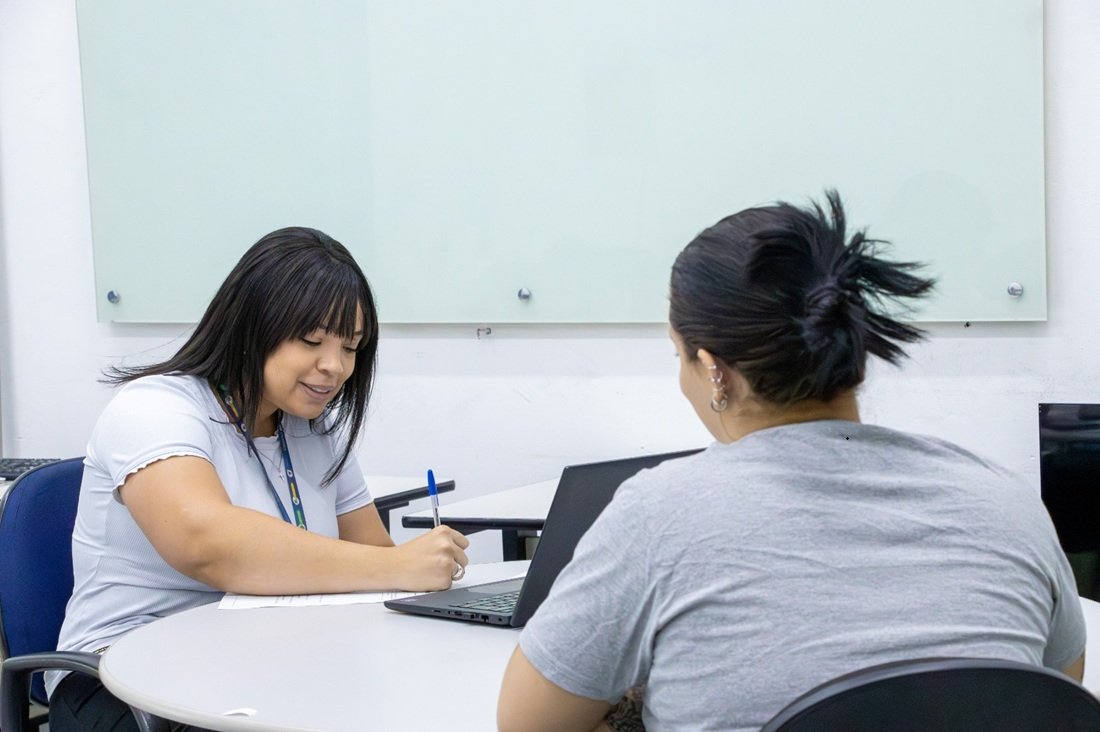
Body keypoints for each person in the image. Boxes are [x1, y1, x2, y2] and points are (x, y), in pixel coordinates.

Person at [497, 191, 1086, 731]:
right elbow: (1056, 692)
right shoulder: (1003, 500)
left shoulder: (658, 515)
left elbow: (527, 724)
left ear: (714, 371)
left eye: (677, 357)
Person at [47, 227, 469, 732]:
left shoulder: (314, 430)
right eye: (312, 340)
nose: (334, 367)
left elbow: (376, 570)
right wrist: (401, 566)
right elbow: (208, 545)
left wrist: (410, 571)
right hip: (124, 679)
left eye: (351, 348)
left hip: (266, 663)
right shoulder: (154, 408)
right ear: (252, 327)